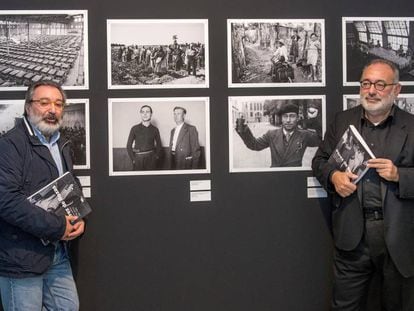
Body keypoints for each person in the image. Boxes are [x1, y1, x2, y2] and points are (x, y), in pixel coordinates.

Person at [312, 58, 414, 310]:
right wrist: (333, 177)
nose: (371, 90)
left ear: (396, 89)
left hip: (399, 238)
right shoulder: (342, 120)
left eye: (380, 84)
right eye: (366, 83)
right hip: (352, 236)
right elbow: (320, 161)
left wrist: (400, 175)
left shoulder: (412, 126)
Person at [0, 80, 85, 310]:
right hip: (21, 258)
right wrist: (58, 227)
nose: (53, 110)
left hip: (58, 254)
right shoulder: (9, 145)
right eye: (44, 102)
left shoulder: (61, 143)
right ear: (28, 107)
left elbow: (70, 185)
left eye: (59, 104)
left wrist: (79, 219)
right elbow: (5, 200)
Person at [236, 101, 320, 167]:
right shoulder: (271, 134)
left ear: (297, 118)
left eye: (292, 116)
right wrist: (244, 130)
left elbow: (322, 139)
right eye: (285, 116)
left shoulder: (305, 135)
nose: (288, 120)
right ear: (281, 118)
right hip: (275, 178)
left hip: (294, 178)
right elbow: (254, 145)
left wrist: (314, 118)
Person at [126, 105, 162, 171]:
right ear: (140, 114)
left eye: (147, 112)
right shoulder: (134, 128)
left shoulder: (155, 129)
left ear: (151, 114)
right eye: (142, 112)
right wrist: (133, 159)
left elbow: (159, 145)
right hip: (138, 159)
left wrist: (156, 157)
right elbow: (128, 146)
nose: (145, 114)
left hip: (151, 159)